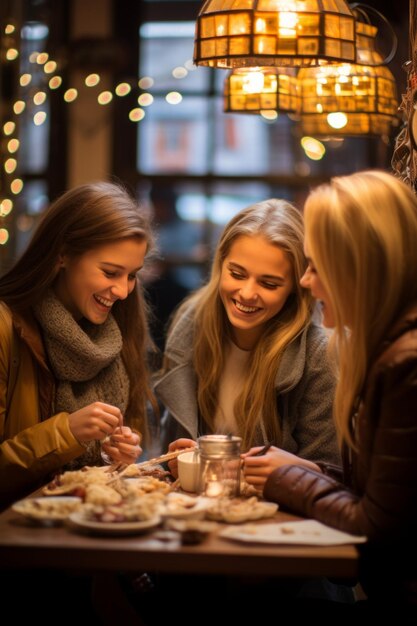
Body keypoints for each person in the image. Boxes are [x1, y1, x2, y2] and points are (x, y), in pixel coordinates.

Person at [264, 171, 417, 622]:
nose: (307, 283)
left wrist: (283, 479)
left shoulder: (406, 365)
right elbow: (390, 490)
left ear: (358, 267)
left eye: (316, 265)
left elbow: (376, 527)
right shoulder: (390, 347)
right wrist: (300, 467)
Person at [155, 198, 340, 485]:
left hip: (281, 519)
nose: (247, 293)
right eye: (237, 274)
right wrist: (176, 462)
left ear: (295, 287)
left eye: (269, 284)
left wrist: (282, 473)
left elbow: (332, 474)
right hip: (197, 511)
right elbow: (168, 451)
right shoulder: (191, 324)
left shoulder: (319, 353)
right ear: (220, 265)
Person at [0, 181, 157, 510]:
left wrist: (120, 455)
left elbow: (111, 467)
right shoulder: (5, 328)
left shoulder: (119, 333)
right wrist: (66, 432)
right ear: (62, 255)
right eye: (110, 272)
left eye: (132, 275)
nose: (124, 291)